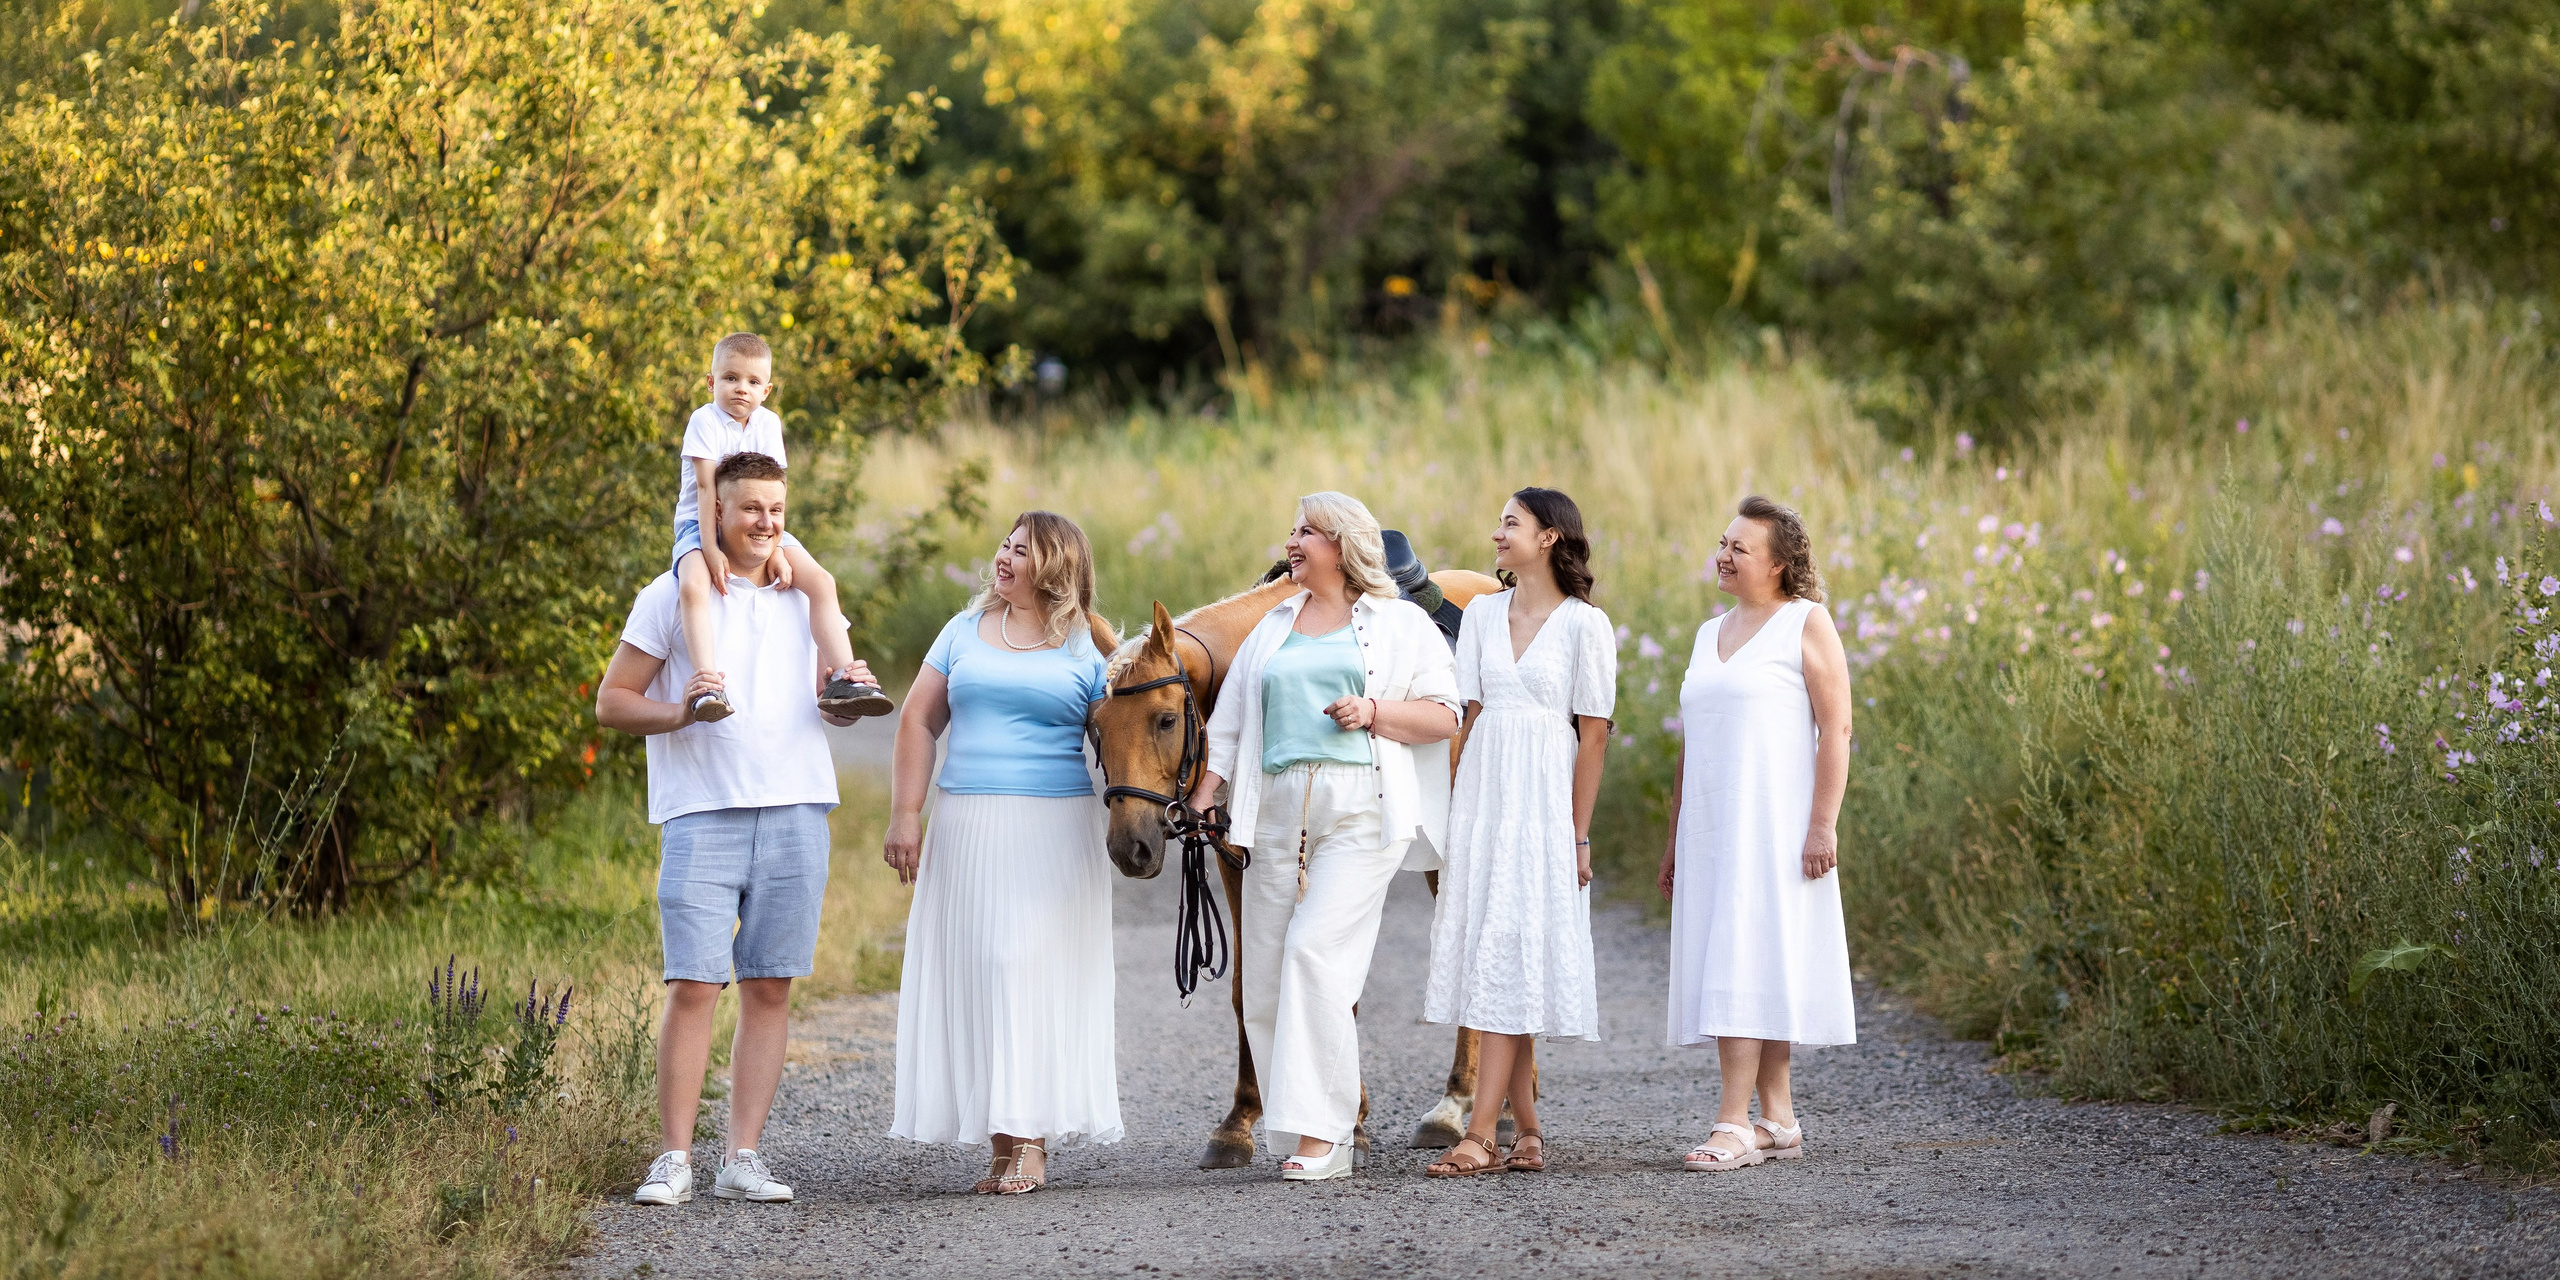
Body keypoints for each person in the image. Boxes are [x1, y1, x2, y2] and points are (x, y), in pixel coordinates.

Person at [595, 451, 877, 1207]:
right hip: (701, 814)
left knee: (771, 987)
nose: (766, 523)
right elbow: (612, 702)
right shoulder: (670, 595)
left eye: (777, 510)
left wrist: (842, 699)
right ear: (715, 513)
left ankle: (742, 1158)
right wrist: (679, 712)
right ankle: (674, 1159)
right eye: (750, 509)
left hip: (796, 809)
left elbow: (827, 694)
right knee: (694, 984)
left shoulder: (802, 596)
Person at [1182, 492, 1461, 1182]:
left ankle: (1328, 1135)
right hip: (1276, 807)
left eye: (1306, 531)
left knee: (1313, 954)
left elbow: (1444, 715)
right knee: (1268, 977)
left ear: (1342, 544)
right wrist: (1204, 794)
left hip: (1363, 806)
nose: (1292, 541)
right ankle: (1299, 1122)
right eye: (1294, 530)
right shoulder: (1272, 626)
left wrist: (1373, 710)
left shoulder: (1401, 624)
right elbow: (1232, 726)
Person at [885, 513, 1119, 1195]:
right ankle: (1000, 1141)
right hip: (966, 824)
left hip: (1054, 828)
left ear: (1054, 567)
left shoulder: (1089, 644)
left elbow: (1135, 729)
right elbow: (918, 719)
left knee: (1020, 965)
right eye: (1005, 546)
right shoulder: (961, 630)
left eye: (1022, 551)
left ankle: (1032, 1141)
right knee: (981, 971)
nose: (1004, 559)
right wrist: (906, 813)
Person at [1422, 487, 1616, 1177]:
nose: (1497, 533)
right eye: (1500, 521)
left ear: (1550, 538)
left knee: (1511, 956)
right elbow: (1466, 714)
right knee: (1498, 956)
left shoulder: (1586, 627)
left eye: (1512, 523)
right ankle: (1527, 1130)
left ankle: (1480, 1134)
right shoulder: (1479, 614)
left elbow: (1592, 738)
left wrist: (1578, 834)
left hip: (1541, 802)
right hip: (1484, 794)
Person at [1658, 494, 1856, 1171]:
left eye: (1740, 548)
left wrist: (1821, 824)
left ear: (1778, 564)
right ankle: (1778, 1118)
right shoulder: (1706, 634)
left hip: (1774, 826)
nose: (1724, 554)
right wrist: (1675, 838)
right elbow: (1693, 743)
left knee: (1744, 959)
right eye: (1723, 543)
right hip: (1713, 828)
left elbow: (1838, 728)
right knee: (1747, 956)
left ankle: (1731, 1124)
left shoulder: (1806, 622)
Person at [671, 332, 890, 722]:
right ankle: (708, 686)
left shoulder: (768, 423)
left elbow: (774, 491)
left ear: (767, 390)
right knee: (692, 585)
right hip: (700, 523)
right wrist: (710, 549)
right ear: (711, 382)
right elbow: (707, 488)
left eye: (753, 382)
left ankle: (845, 679)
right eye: (731, 379)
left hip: (758, 520)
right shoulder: (704, 420)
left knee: (821, 582)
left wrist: (776, 552)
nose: (742, 389)